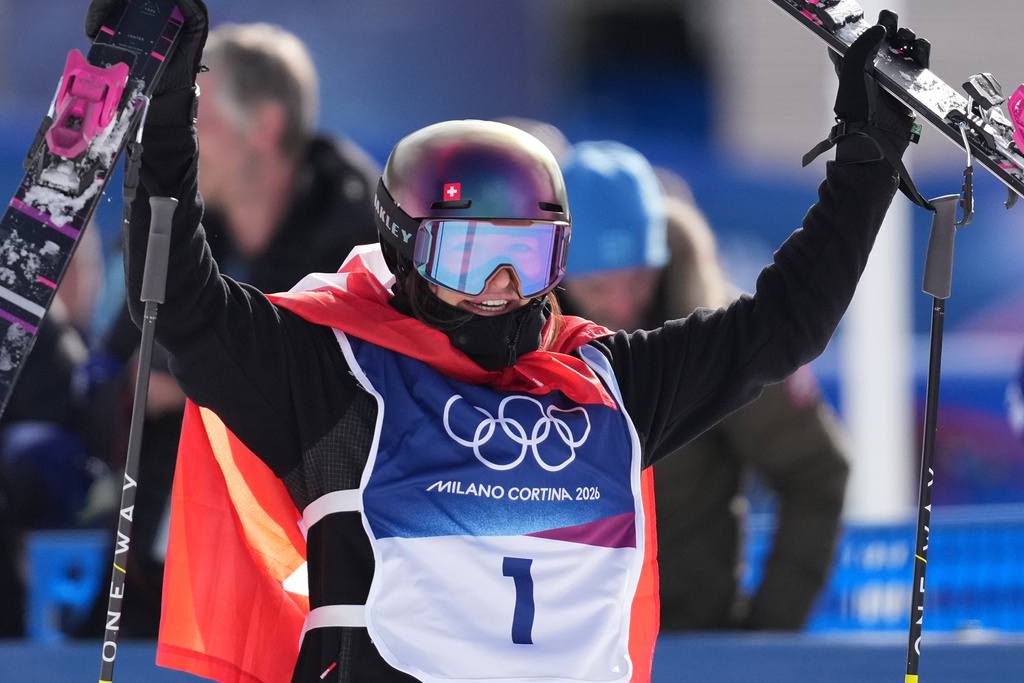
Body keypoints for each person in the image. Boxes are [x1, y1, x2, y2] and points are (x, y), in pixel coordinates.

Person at [85, 0, 918, 679]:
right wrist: (166, 106)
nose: (501, 290)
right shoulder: (335, 371)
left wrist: (868, 157)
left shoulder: (611, 383)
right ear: (407, 251)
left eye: (527, 256)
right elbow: (184, 307)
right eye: (471, 256)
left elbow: (785, 324)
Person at [76, 19, 382, 639]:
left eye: (198, 123)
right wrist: (134, 385)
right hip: (156, 571)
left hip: (310, 582)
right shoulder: (179, 230)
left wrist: (195, 382)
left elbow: (367, 404)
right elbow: (107, 375)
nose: (181, 145)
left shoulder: (370, 251)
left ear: (263, 128)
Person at [558, 140, 850, 630]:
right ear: (557, 277)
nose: (623, 303)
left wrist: (768, 630)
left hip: (688, 637)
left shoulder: (724, 340)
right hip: (556, 643)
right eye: (597, 287)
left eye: (638, 279)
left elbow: (816, 470)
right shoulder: (524, 343)